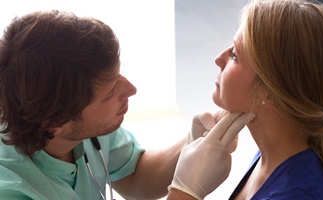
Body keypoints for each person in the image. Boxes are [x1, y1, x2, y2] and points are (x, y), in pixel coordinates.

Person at [0, 10, 257, 200]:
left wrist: (191, 141)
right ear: (55, 122)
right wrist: (186, 191)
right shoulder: (13, 191)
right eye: (111, 92)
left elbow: (136, 179)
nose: (131, 89)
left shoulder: (82, 125)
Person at [167, 0, 323, 199]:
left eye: (234, 55)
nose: (218, 59)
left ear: (269, 90)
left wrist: (185, 192)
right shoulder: (272, 156)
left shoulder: (295, 194)